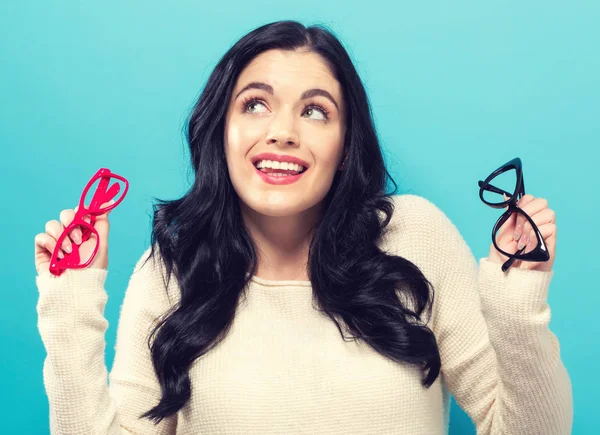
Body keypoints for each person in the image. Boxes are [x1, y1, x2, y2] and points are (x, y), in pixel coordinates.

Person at [34, 20, 573, 434]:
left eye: (315, 111)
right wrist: (68, 309)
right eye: (255, 104)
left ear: (345, 146)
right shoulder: (175, 270)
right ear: (222, 130)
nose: (283, 132)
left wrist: (517, 304)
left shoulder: (417, 237)